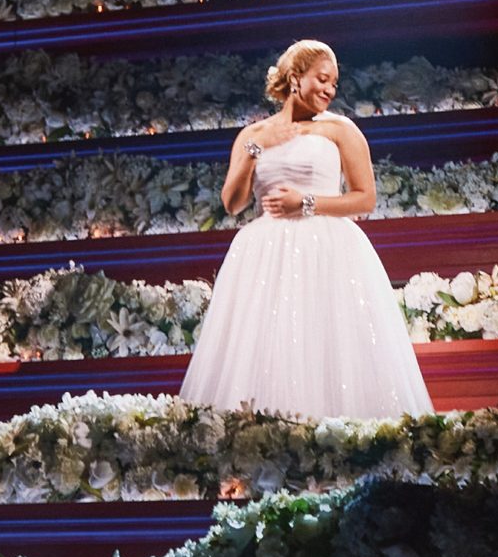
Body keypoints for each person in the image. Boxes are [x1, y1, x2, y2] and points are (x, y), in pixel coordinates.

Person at [178, 39, 434, 420]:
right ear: (296, 78)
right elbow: (232, 203)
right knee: (271, 345)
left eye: (334, 83)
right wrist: (255, 148)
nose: (330, 90)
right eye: (322, 79)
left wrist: (307, 203)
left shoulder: (339, 130)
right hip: (265, 252)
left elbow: (364, 199)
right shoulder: (255, 133)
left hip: (328, 247)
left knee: (328, 341)